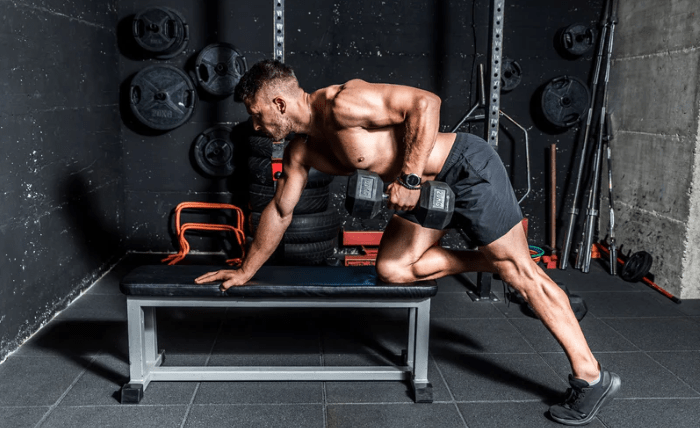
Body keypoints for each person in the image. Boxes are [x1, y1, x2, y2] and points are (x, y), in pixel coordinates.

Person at [195, 59, 620, 425]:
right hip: (426, 194)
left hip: (463, 169)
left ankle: (592, 377)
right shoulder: (301, 152)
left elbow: (426, 103)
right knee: (394, 270)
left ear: (278, 103)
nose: (255, 125)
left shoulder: (342, 102)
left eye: (256, 115)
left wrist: (411, 179)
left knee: (520, 273)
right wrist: (246, 270)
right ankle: (506, 266)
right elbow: (280, 211)